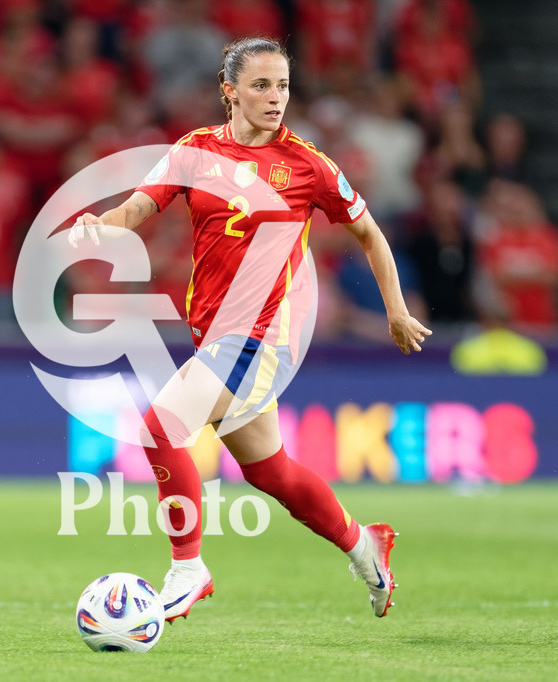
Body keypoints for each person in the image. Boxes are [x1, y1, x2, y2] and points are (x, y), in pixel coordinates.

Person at [68, 37, 431, 622]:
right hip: (216, 336)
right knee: (272, 472)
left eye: (283, 85)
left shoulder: (308, 165)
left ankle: (188, 569)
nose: (276, 98)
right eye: (261, 85)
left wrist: (394, 308)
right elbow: (138, 207)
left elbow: (369, 233)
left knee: (162, 428)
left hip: (262, 338)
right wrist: (103, 227)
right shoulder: (194, 152)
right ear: (229, 91)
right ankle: (366, 545)